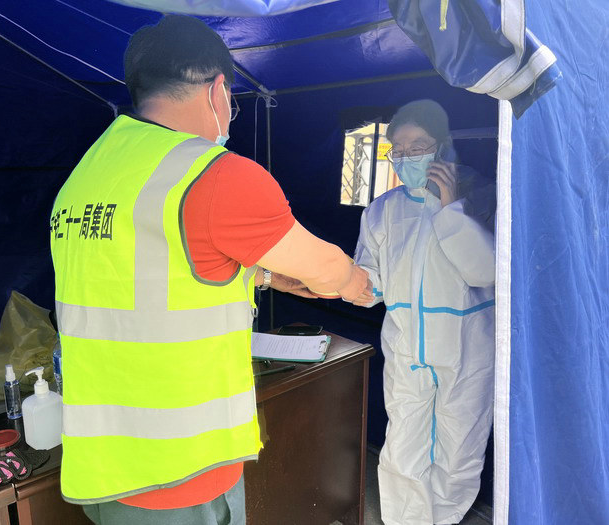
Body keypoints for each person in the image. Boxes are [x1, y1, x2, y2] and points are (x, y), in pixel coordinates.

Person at [49, 15, 369, 525]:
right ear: (217, 89)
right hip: (178, 468)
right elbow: (326, 270)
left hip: (103, 458)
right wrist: (358, 282)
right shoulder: (215, 174)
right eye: (232, 101)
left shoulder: (90, 172)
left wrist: (263, 277)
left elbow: (144, 271)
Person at [352, 100, 495, 525]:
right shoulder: (382, 210)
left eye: (418, 147)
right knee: (402, 448)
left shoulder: (480, 195)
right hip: (406, 349)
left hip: (465, 349)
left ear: (443, 146)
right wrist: (350, 284)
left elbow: (485, 270)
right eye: (398, 150)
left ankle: (445, 519)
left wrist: (450, 207)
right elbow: (370, 278)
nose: (407, 157)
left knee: (459, 449)